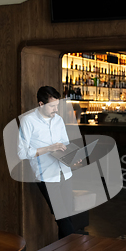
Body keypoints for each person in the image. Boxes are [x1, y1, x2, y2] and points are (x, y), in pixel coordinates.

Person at [17, 86, 77, 238]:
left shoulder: (59, 120)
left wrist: (74, 155)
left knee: (67, 215)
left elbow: (65, 143)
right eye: (52, 106)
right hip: (46, 175)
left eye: (57, 105)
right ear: (41, 104)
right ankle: (78, 248)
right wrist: (49, 148)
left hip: (65, 172)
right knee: (62, 217)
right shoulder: (27, 121)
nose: (55, 110)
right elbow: (22, 153)